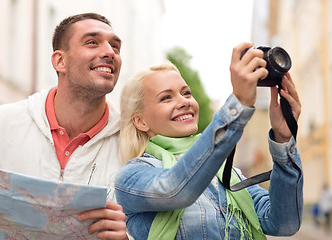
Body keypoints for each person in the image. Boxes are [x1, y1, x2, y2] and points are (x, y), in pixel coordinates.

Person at [115, 42, 303, 239]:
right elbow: (176, 189)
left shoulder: (228, 174)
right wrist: (238, 105)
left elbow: (284, 223)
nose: (184, 101)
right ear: (140, 121)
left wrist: (283, 139)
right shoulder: (131, 176)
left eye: (186, 93)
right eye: (166, 98)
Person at [0, 13, 127, 239]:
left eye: (115, 46)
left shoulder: (132, 139)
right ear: (59, 61)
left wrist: (127, 237)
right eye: (92, 42)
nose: (109, 52)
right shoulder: (1, 122)